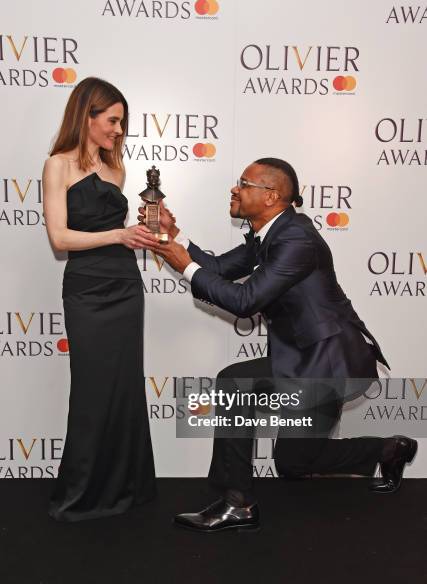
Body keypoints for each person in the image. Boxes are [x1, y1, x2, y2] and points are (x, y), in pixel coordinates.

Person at [138, 157, 417, 533]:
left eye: (244, 183)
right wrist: (177, 238)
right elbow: (218, 269)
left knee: (233, 384)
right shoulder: (270, 233)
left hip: (328, 362)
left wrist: (184, 263)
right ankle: (388, 449)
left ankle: (238, 504)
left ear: (271, 196)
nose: (234, 189)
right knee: (293, 463)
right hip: (304, 358)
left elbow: (244, 301)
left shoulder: (295, 239)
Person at [43, 77, 155, 521]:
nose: (118, 130)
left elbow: (123, 234)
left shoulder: (118, 169)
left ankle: (124, 488)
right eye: (112, 120)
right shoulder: (59, 165)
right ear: (86, 115)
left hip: (125, 286)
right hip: (87, 288)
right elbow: (59, 237)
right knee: (92, 389)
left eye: (122, 122)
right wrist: (118, 234)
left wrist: (146, 230)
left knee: (125, 387)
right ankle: (82, 493)